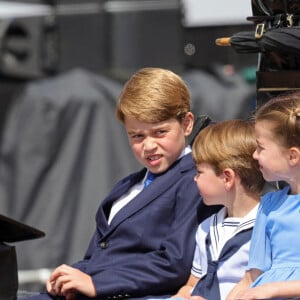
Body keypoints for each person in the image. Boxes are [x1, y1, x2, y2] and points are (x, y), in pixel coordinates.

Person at [23, 67, 218, 300]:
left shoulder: (194, 179)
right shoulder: (127, 186)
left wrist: (98, 283)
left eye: (159, 132)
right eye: (137, 136)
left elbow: (174, 262)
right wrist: (71, 274)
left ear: (187, 124)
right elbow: (102, 256)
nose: (148, 146)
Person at [151, 119, 265, 300]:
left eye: (199, 172)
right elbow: (192, 284)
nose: (194, 179)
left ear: (227, 178)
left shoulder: (267, 227)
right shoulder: (206, 227)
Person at [227, 91, 300, 300]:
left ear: (292, 156)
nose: (254, 155)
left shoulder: (271, 289)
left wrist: (275, 289)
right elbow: (251, 278)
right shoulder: (269, 205)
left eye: (260, 147)